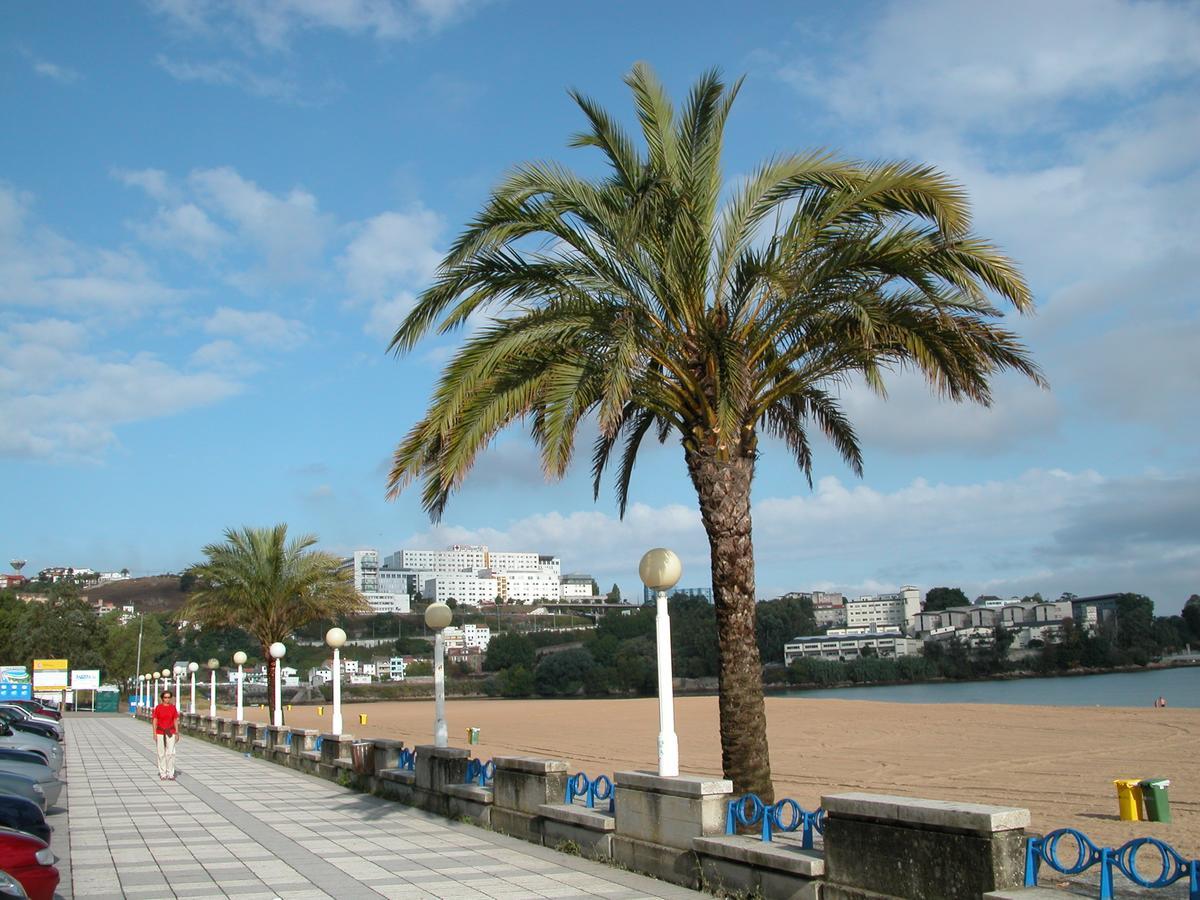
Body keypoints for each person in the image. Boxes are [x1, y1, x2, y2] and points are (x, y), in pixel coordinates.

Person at [152, 689, 180, 780]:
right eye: (165, 697)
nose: (167, 699)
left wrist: (177, 732)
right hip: (160, 732)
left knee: (171, 753)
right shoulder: (158, 708)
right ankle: (162, 772)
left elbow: (175, 720)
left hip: (170, 732)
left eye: (169, 697)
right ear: (162, 698)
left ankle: (170, 772)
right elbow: (155, 720)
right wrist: (154, 733)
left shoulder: (173, 708)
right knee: (161, 753)